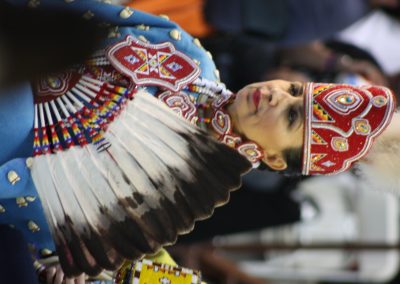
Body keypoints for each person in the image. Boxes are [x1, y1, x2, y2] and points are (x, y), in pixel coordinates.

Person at [1, 0, 397, 283]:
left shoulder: (176, 195)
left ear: (276, 160)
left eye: (292, 116)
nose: (279, 95)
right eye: (294, 88)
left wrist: (55, 269)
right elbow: (79, 13)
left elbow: (58, 243)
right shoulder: (187, 54)